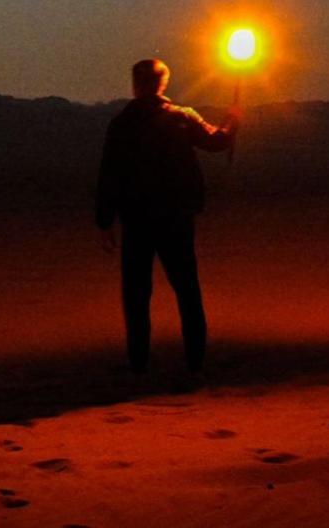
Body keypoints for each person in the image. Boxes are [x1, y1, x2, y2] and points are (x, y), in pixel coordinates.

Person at [95, 58, 240, 380]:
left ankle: (139, 363)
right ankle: (195, 360)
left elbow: (109, 175)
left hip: (138, 220)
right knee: (186, 288)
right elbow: (216, 142)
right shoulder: (181, 118)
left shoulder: (122, 124)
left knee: (136, 293)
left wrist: (105, 220)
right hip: (175, 218)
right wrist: (233, 122)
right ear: (163, 83)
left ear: (135, 84)